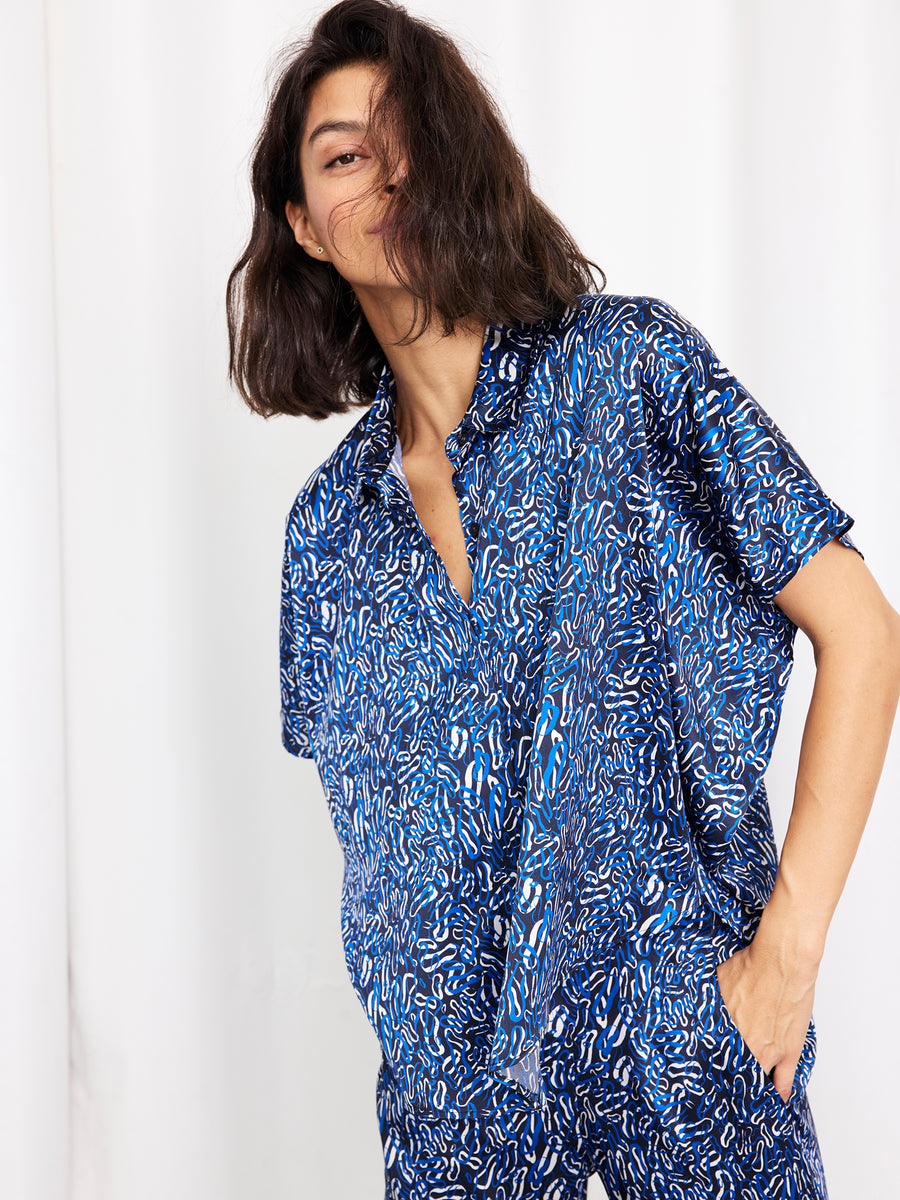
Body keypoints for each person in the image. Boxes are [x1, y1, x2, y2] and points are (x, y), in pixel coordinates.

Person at [226, 2, 900, 1196]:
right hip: (460, 1121)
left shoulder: (629, 372)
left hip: (688, 1054)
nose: (381, 175)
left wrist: (785, 959)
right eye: (341, 155)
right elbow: (375, 840)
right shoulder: (326, 534)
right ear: (304, 227)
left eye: (405, 137)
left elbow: (861, 629)